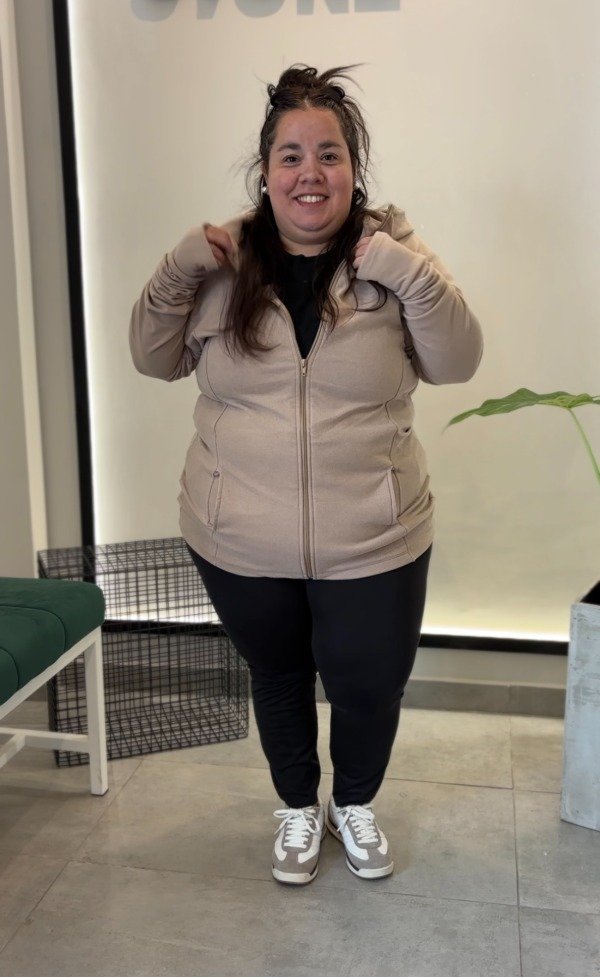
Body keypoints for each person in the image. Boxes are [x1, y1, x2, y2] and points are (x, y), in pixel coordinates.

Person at [129, 63, 483, 887]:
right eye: (291, 155)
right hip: (238, 532)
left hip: (375, 534)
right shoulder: (222, 260)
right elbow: (151, 357)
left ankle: (352, 802)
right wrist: (180, 265)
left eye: (329, 154)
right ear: (265, 171)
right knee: (278, 674)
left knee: (370, 684)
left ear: (353, 169)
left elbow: (458, 360)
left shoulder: (393, 253)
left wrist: (404, 270)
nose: (310, 173)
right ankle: (296, 804)